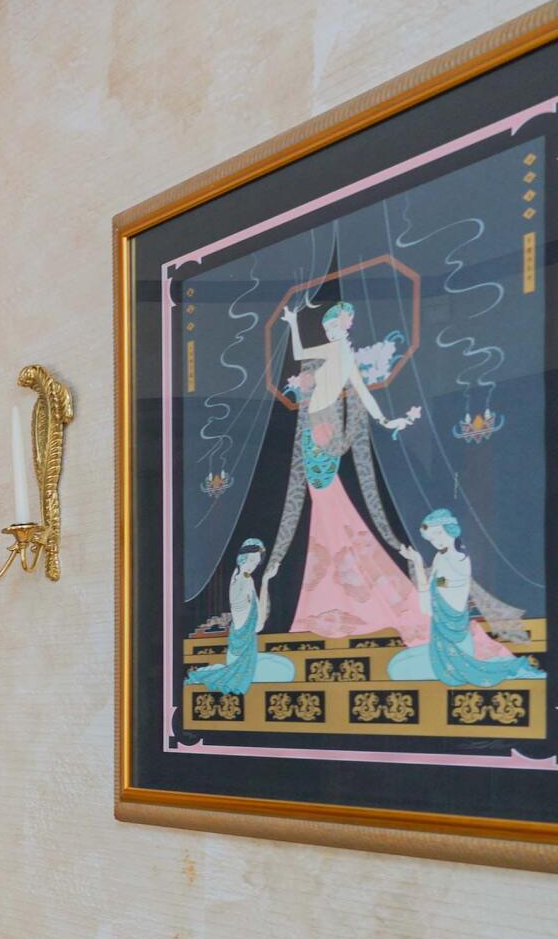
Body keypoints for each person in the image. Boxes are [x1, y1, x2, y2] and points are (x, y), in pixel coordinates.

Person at [275, 298, 423, 639]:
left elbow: (300, 353)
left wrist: (293, 323)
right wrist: (386, 420)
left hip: (322, 429)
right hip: (320, 427)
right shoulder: (341, 354)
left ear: (344, 326)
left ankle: (334, 588)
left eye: (335, 325)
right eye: (329, 326)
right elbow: (360, 393)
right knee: (327, 504)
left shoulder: (338, 351)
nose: (331, 330)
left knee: (328, 503)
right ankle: (335, 585)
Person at [387, 509, 541, 686]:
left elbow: (435, 593)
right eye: (431, 539)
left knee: (397, 670)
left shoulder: (459, 561)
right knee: (396, 663)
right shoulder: (440, 558)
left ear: (451, 529)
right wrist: (417, 562)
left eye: (438, 534)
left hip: (455, 645)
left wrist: (431, 584)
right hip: (441, 640)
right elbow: (428, 599)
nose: (436, 541)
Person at [186, 539, 295, 696]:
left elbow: (258, 625)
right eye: (251, 560)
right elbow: (245, 620)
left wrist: (265, 582)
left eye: (256, 562)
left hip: (249, 652)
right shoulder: (238, 582)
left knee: (288, 667)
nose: (252, 565)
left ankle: (219, 671)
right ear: (242, 557)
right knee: (285, 673)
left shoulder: (248, 580)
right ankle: (219, 672)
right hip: (240, 657)